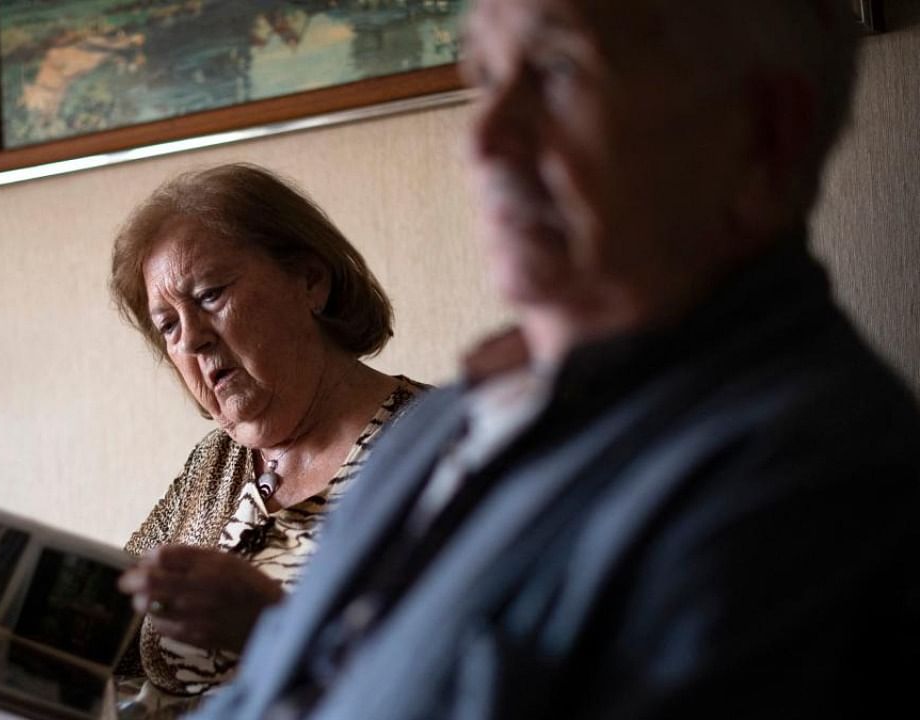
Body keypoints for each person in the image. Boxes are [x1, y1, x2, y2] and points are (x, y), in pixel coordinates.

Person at [189, 1, 920, 719]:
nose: (484, 140)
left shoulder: (807, 485)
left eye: (561, 70)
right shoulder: (443, 419)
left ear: (763, 138)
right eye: (485, 74)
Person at [109, 163, 426, 716]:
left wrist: (273, 628)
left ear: (309, 280)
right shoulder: (216, 464)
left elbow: (444, 680)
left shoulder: (439, 448)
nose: (193, 342)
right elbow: (112, 629)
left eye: (209, 295)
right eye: (168, 325)